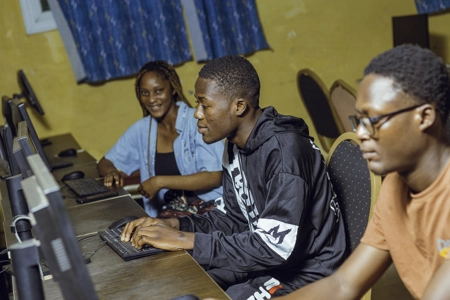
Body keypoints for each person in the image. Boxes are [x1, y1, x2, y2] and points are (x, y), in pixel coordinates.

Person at [121, 55, 347, 299]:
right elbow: (235, 219)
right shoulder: (236, 145)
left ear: (239, 106)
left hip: (309, 272)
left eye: (204, 105)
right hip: (268, 260)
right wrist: (176, 225)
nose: (197, 114)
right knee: (178, 283)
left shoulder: (285, 154)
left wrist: (183, 239)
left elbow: (275, 246)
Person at [276, 44, 450, 300]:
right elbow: (343, 286)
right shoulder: (395, 186)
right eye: (359, 121)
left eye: (374, 120)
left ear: (424, 117)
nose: (360, 134)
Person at [97, 61, 224, 217]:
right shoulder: (142, 130)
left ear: (172, 89)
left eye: (158, 91)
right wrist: (111, 172)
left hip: (211, 209)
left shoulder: (197, 121)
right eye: (145, 93)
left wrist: (159, 182)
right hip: (171, 216)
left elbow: (215, 176)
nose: (151, 99)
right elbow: (105, 162)